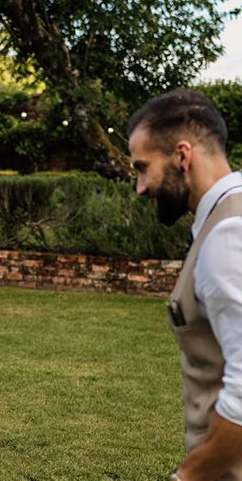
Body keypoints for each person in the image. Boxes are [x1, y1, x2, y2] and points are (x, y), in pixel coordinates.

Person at [128, 90, 242, 480]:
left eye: (143, 168)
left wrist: (187, 477)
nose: (140, 187)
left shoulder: (229, 233)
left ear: (182, 155)